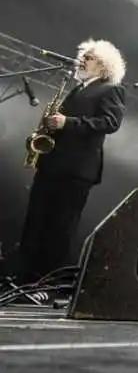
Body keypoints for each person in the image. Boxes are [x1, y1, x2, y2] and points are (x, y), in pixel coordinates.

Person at [14, 39, 127, 284]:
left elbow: (111, 123)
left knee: (60, 227)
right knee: (36, 222)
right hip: (52, 164)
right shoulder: (78, 88)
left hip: (77, 169)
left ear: (105, 65)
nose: (82, 59)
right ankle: (26, 276)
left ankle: (50, 281)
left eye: (89, 57)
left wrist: (68, 122)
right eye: (82, 55)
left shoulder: (110, 89)